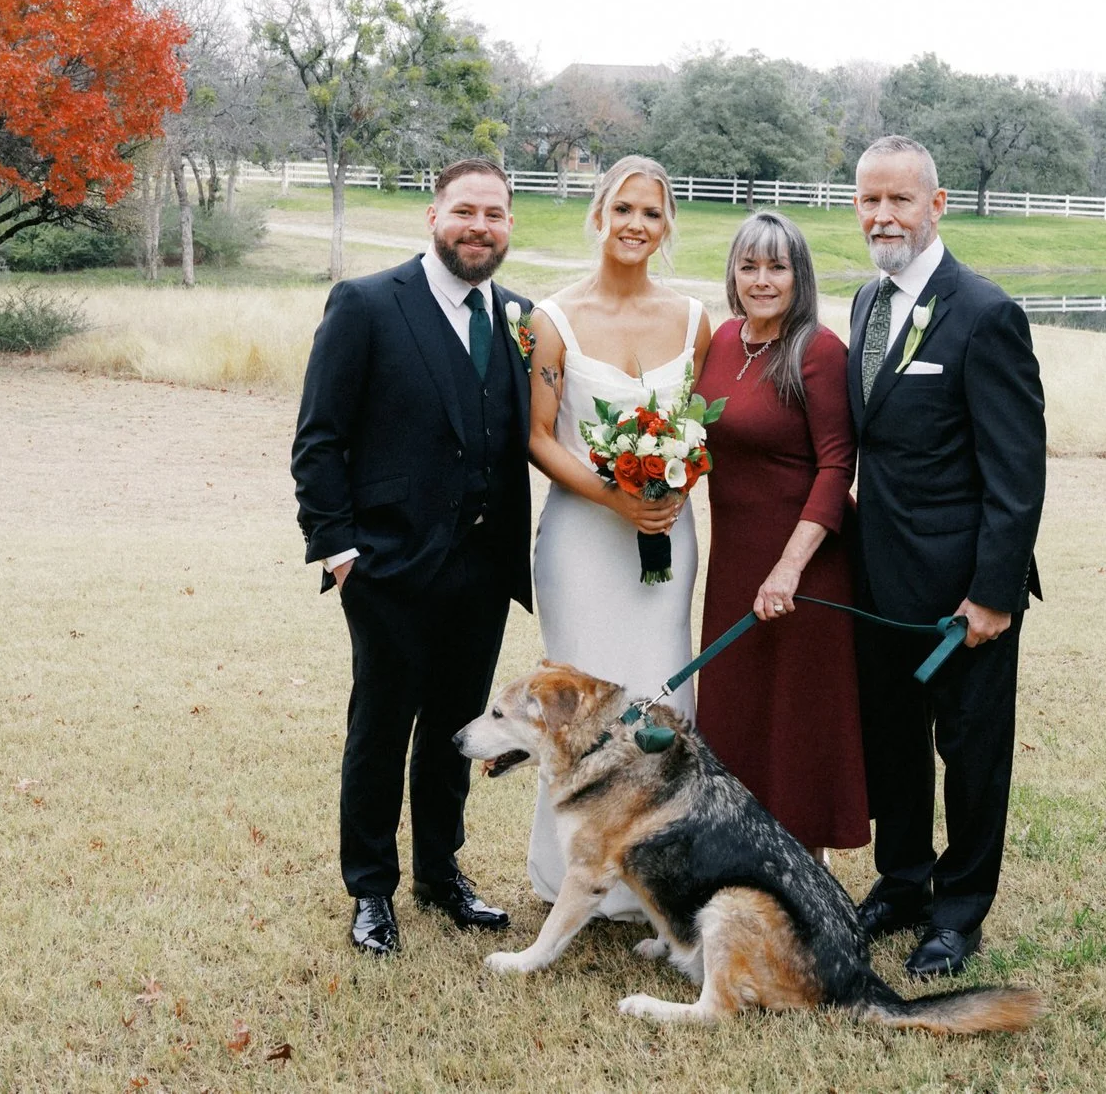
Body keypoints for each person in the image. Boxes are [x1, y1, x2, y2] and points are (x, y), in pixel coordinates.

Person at [291, 160, 534, 957]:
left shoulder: (521, 317)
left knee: (456, 731)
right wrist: (337, 549)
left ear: (508, 225)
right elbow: (319, 437)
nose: (480, 226)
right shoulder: (365, 303)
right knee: (382, 727)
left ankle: (440, 870)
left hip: (483, 569)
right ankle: (371, 888)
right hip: (388, 566)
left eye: (495, 214)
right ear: (433, 214)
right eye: (465, 210)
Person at [844, 135, 1046, 979]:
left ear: (938, 204)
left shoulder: (985, 311)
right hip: (877, 584)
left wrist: (993, 591)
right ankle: (904, 879)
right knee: (891, 746)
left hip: (964, 596)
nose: (883, 215)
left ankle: (958, 912)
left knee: (970, 756)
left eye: (899, 199)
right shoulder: (863, 301)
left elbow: (1017, 470)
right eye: (868, 201)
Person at [523, 156, 709, 913]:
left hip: (666, 538)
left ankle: (655, 875)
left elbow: (700, 427)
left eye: (652, 213)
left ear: (667, 227)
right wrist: (615, 497)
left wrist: (673, 485)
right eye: (624, 208)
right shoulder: (552, 318)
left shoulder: (695, 319)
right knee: (582, 705)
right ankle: (570, 874)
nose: (636, 224)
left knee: (663, 697)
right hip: (581, 541)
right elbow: (538, 437)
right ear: (599, 211)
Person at [693, 210, 868, 856]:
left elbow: (836, 465)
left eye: (777, 265)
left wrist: (790, 567)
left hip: (804, 562)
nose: (762, 279)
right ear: (733, 273)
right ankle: (740, 856)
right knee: (735, 712)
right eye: (749, 265)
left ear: (800, 274)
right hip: (734, 559)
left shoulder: (818, 350)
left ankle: (806, 865)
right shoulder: (722, 339)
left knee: (796, 720)